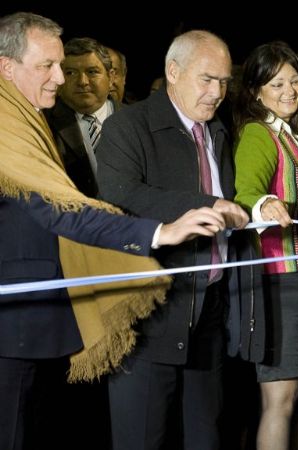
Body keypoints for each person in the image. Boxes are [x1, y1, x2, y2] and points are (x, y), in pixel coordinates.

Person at [0, 12, 230, 450]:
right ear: (6, 67)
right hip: (14, 320)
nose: (59, 78)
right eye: (47, 67)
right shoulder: (5, 124)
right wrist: (159, 233)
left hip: (36, 316)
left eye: (59, 65)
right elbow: (61, 210)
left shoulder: (25, 116)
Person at [95, 30, 261, 450]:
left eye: (224, 81)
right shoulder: (128, 126)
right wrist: (209, 205)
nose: (217, 92)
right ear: (173, 71)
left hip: (209, 315)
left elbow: (232, 203)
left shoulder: (219, 130)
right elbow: (119, 196)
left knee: (207, 437)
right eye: (206, 79)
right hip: (151, 314)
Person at [232, 41, 298, 450]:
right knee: (282, 397)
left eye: (294, 81)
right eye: (277, 84)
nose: (289, 90)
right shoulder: (258, 133)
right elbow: (245, 192)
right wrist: (264, 203)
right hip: (277, 284)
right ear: (256, 91)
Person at [44, 37, 116, 197]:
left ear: (111, 78)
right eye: (70, 73)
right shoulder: (42, 124)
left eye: (92, 72)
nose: (82, 82)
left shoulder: (142, 120)